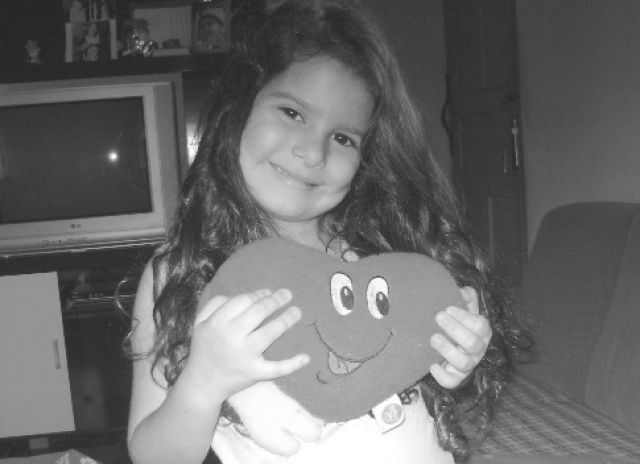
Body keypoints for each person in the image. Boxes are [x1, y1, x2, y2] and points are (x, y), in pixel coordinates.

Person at [126, 1, 530, 463]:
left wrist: (455, 358)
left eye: (343, 138)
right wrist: (203, 383)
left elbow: (417, 378)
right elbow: (152, 455)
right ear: (239, 107)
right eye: (292, 113)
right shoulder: (178, 273)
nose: (313, 153)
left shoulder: (379, 251)